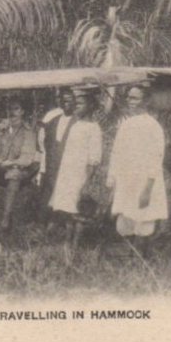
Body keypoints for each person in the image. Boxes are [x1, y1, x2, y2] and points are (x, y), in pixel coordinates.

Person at [107, 83, 168, 253]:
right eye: (129, 97)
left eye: (135, 98)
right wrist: (113, 182)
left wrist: (147, 190)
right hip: (127, 180)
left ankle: (140, 261)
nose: (130, 101)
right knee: (126, 217)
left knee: (144, 219)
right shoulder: (126, 125)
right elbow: (117, 153)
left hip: (144, 182)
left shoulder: (153, 126)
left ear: (146, 101)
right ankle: (127, 259)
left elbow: (156, 160)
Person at [44, 84, 103, 255]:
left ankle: (76, 244)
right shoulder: (75, 125)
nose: (77, 107)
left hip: (80, 174)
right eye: (76, 103)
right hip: (67, 173)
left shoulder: (93, 128)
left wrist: (87, 181)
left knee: (78, 211)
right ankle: (67, 242)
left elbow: (94, 158)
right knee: (67, 209)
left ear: (91, 106)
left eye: (81, 104)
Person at [0, 98, 38, 231]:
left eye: (16, 109)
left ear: (22, 112)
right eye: (10, 109)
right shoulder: (0, 129)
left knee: (14, 175)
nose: (12, 112)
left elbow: (26, 158)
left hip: (20, 169)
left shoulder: (28, 132)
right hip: (0, 167)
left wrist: (11, 163)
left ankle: (6, 218)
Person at [37, 87, 76, 222]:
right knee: (47, 190)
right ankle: (43, 223)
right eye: (64, 100)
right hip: (51, 161)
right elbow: (43, 143)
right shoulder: (53, 119)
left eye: (70, 101)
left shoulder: (78, 121)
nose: (66, 104)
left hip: (69, 164)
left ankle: (61, 222)